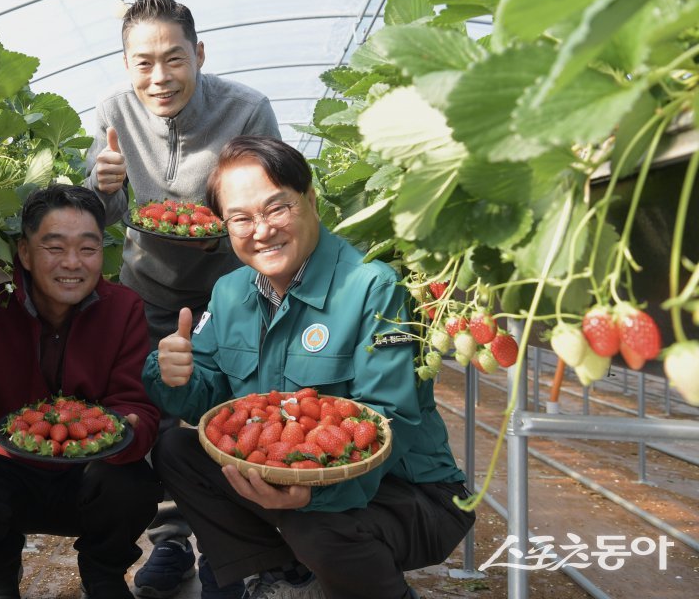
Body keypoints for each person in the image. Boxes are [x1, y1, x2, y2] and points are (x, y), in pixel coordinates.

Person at [142, 136, 475, 599]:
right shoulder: (229, 292)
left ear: (311, 201)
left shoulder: (373, 287)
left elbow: (389, 418)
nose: (260, 230)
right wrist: (175, 376)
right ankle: (282, 577)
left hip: (408, 493)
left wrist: (312, 494)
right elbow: (210, 401)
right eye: (241, 218)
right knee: (178, 449)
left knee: (315, 527)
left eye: (277, 208)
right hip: (284, 475)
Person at [86, 0, 281, 597]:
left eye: (174, 59)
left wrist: (232, 219)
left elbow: (273, 198)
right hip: (145, 290)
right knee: (153, 413)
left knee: (225, 411)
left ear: (198, 53)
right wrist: (104, 185)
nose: (159, 77)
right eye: (143, 63)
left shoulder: (247, 109)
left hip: (231, 293)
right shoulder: (114, 111)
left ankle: (230, 547)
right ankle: (170, 540)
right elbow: (102, 213)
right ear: (126, 65)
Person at [0, 184, 162, 599]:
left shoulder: (124, 308)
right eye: (54, 247)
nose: (73, 263)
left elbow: (134, 405)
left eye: (87, 249)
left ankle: (103, 573)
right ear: (25, 253)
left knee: (135, 485)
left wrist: (130, 429)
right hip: (6, 474)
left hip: (88, 475)